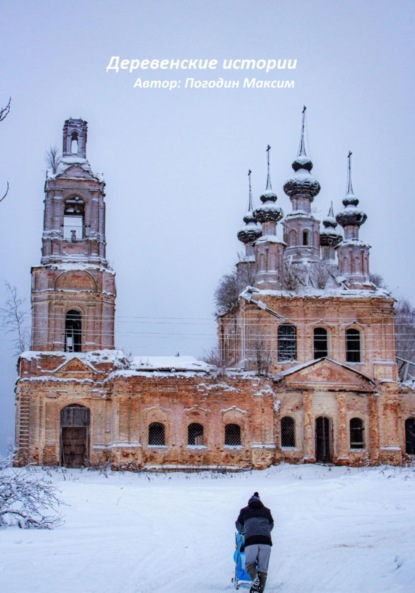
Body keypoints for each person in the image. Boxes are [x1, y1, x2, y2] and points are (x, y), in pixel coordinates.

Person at [235, 492, 274, 593]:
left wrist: (245, 530)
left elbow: (239, 526)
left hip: (251, 541)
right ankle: (259, 590)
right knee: (263, 569)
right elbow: (271, 525)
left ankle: (254, 579)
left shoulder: (244, 511)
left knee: (249, 563)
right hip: (266, 541)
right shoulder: (267, 511)